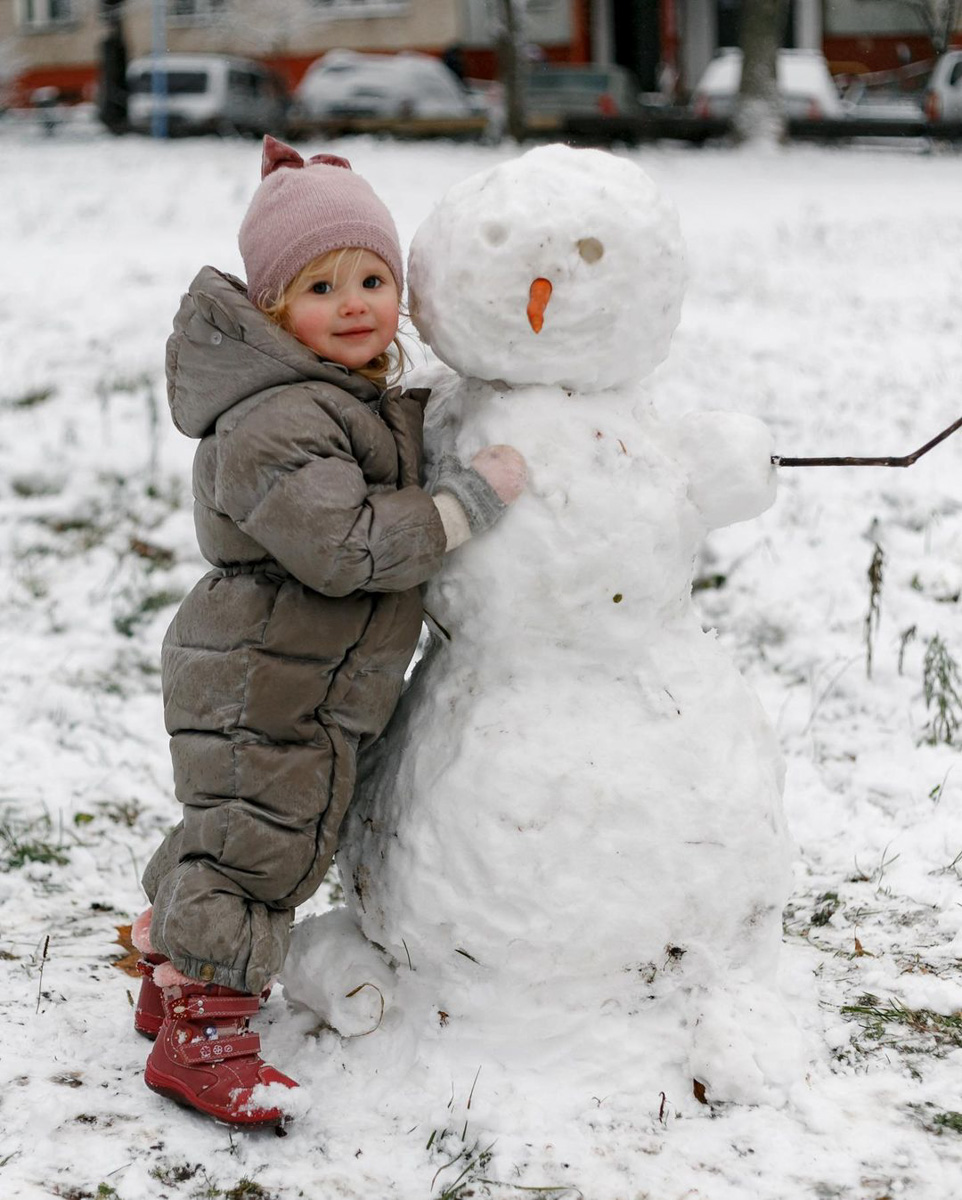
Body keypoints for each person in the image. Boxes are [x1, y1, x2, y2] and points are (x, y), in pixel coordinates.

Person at [128, 135, 526, 1127]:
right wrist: (463, 503)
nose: (353, 304)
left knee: (234, 832)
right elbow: (343, 548)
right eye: (320, 287)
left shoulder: (335, 395)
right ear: (272, 308)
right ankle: (202, 1040)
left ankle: (172, 966)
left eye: (372, 280)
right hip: (266, 676)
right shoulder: (276, 420)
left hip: (288, 670)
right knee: (259, 852)